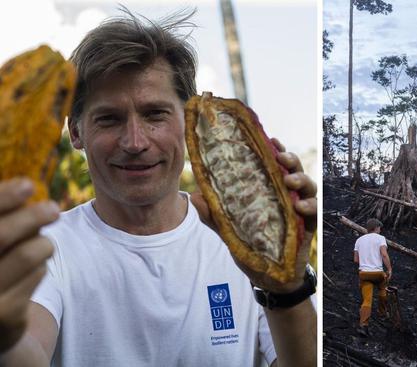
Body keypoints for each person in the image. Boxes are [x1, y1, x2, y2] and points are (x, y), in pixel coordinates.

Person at [0, 10, 316, 367]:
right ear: (76, 132)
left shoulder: (246, 248)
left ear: (188, 122)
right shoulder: (47, 246)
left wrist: (285, 288)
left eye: (155, 115)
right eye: (109, 118)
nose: (135, 142)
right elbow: (26, 348)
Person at [353, 218, 392, 337]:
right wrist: (389, 269)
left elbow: (356, 260)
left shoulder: (359, 240)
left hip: (364, 274)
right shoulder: (380, 238)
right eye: (379, 228)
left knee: (367, 300)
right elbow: (384, 255)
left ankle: (363, 325)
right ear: (376, 228)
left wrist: (365, 263)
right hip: (377, 273)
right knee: (382, 290)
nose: (380, 230)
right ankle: (382, 313)